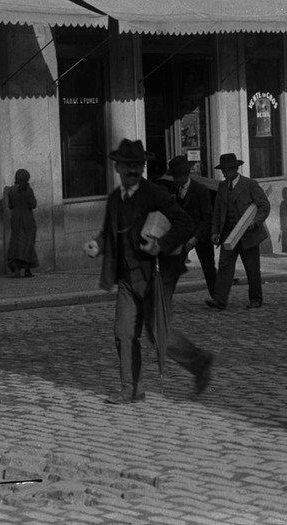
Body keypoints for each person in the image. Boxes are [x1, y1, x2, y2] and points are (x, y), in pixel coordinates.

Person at [82, 138, 213, 404]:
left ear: (142, 168)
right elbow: (110, 233)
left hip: (157, 276)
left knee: (158, 334)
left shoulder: (155, 194)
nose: (132, 171)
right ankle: (131, 389)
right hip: (128, 278)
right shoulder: (114, 200)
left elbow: (184, 222)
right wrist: (98, 244)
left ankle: (199, 362)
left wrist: (161, 244)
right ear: (117, 167)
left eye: (137, 166)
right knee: (122, 333)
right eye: (126, 166)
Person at [208, 152, 271, 310]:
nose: (224, 173)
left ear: (236, 169)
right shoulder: (222, 186)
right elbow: (217, 211)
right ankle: (220, 300)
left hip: (248, 235)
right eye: (223, 169)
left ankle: (256, 299)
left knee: (252, 268)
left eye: (227, 169)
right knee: (224, 267)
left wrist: (255, 222)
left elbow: (264, 206)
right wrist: (215, 232)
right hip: (228, 235)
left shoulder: (250, 184)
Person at [165, 155, 215, 299]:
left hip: (201, 236)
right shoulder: (175, 190)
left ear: (186, 174)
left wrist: (196, 237)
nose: (174, 180)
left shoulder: (200, 190)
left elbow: (207, 217)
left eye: (177, 176)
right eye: (173, 176)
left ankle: (217, 298)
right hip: (182, 235)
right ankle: (165, 297)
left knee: (208, 268)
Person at [3, 169, 39, 277]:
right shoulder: (27, 189)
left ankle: (16, 263)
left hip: (15, 218)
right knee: (28, 243)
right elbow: (33, 204)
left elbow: (10, 206)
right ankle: (26, 268)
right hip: (27, 218)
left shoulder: (12, 190)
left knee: (16, 241)